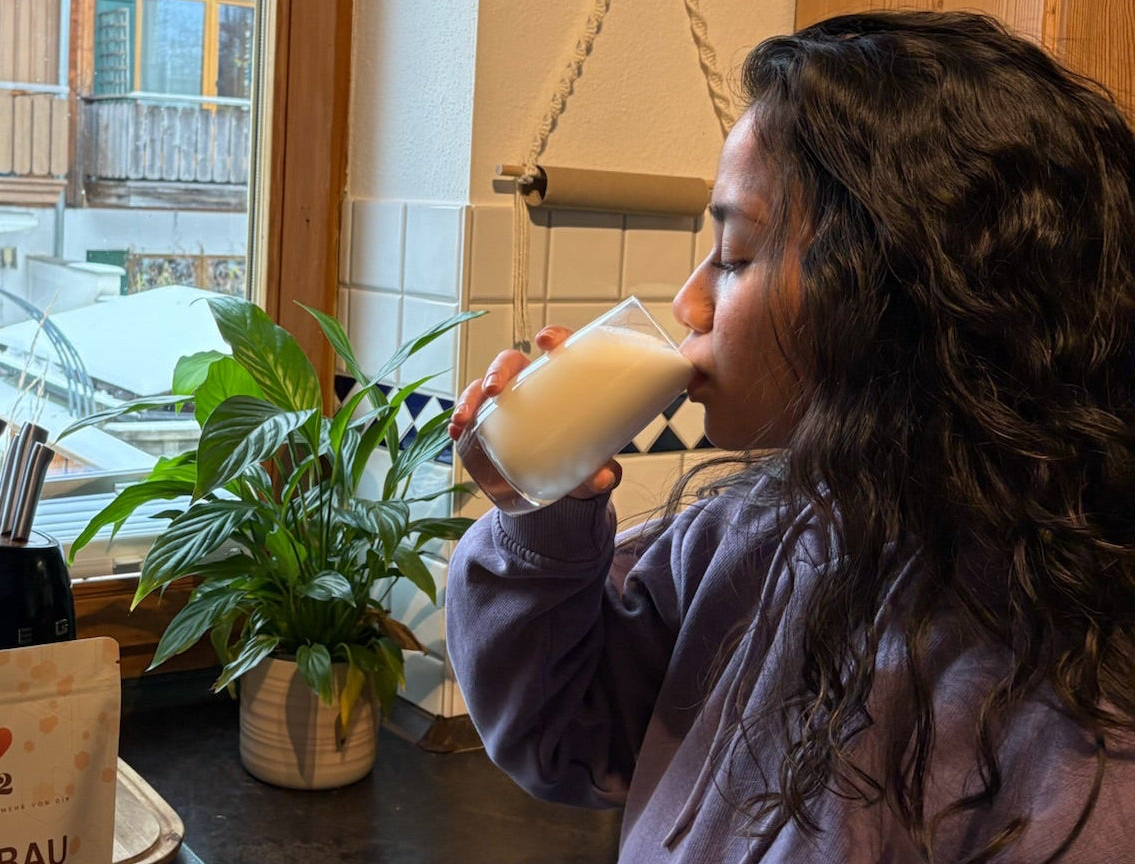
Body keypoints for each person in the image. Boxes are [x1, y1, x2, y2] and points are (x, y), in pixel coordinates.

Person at [445, 10, 1135, 864]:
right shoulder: (744, 537)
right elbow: (569, 733)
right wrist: (546, 514)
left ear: (890, 295)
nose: (687, 303)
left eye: (733, 256)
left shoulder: (1078, 727)